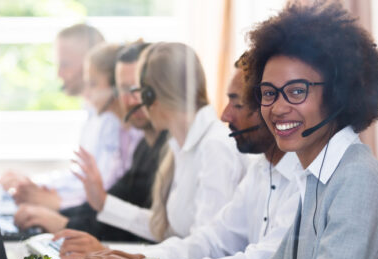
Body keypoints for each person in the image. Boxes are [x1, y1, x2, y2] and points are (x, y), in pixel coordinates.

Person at [96, 2, 378, 259]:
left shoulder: (356, 177)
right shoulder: (317, 174)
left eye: (297, 91)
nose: (277, 107)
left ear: (338, 94)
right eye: (269, 93)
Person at [65, 54, 301, 259]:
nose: (225, 115)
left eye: (237, 104)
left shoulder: (216, 146)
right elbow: (209, 240)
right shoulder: (258, 168)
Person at [61, 42, 247, 244]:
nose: (135, 99)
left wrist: (120, 258)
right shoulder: (180, 147)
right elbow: (167, 231)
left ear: (151, 95)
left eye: (138, 90)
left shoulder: (214, 147)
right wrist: (104, 204)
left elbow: (205, 249)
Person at [12, 42, 167, 241]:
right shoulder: (145, 144)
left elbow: (138, 221)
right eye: (124, 90)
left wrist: (62, 219)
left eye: (137, 89)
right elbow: (112, 200)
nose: (129, 99)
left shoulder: (149, 141)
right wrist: (62, 218)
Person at [0, 24, 106, 210]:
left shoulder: (111, 121)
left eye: (65, 64)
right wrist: (29, 183)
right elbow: (77, 179)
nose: (59, 74)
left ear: (91, 65)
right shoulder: (91, 112)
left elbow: (100, 194)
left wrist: (51, 201)